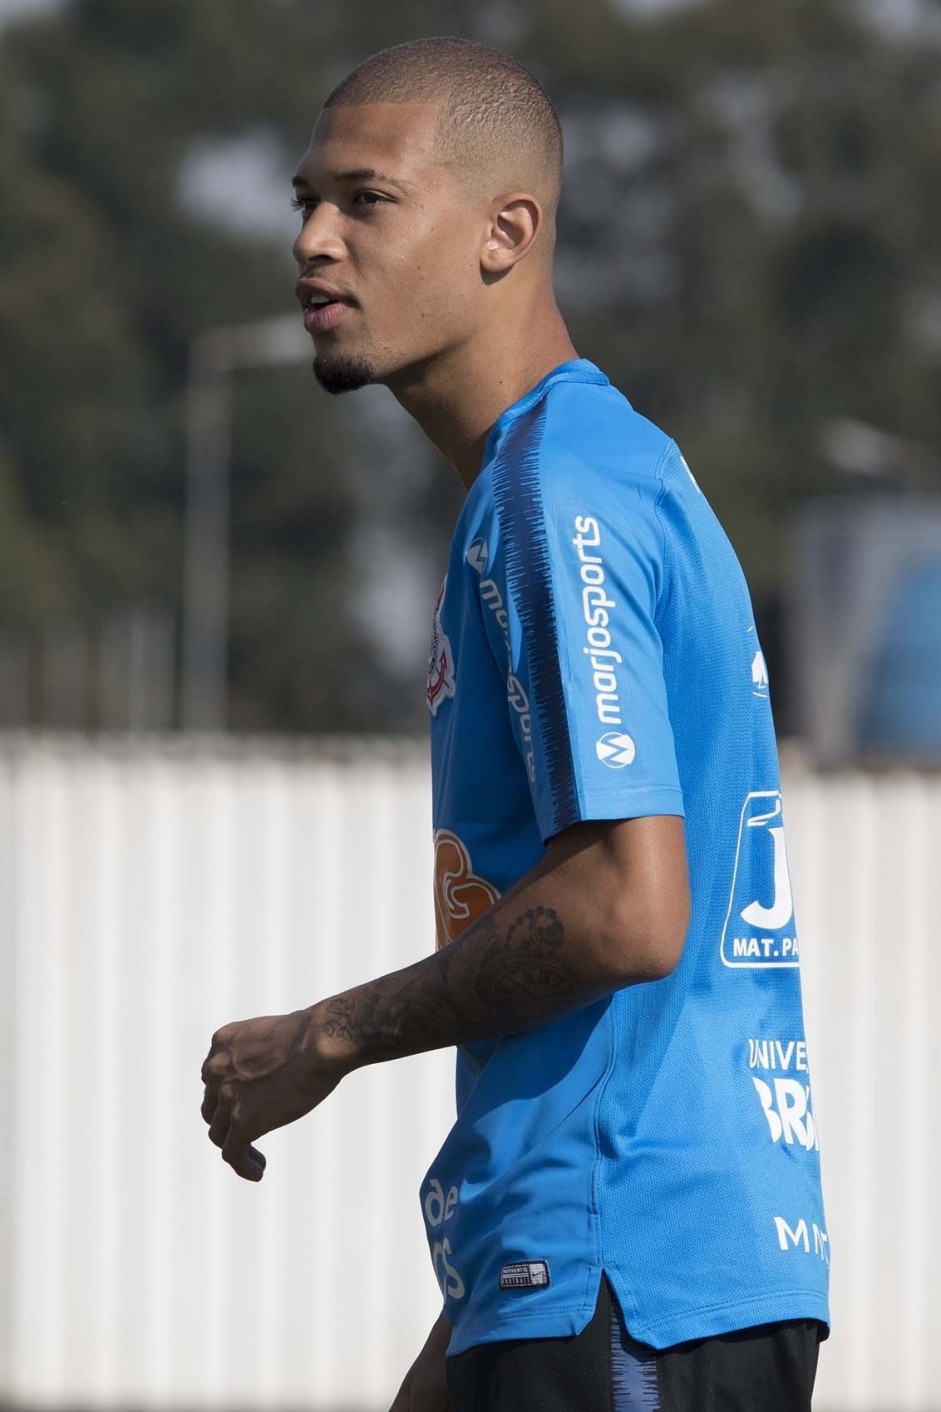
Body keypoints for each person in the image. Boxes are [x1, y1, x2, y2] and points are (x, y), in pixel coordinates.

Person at [200, 36, 829, 1411]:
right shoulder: (586, 475)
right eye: (305, 199)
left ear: (505, 234)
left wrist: (323, 1037)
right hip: (594, 1273)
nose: (311, 238)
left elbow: (627, 911)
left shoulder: (559, 498)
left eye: (364, 201)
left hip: (627, 1280)